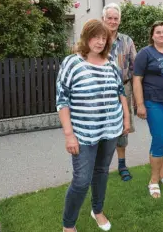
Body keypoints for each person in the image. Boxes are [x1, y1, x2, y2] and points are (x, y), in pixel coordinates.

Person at [56, 19, 130, 232]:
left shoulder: (110, 63)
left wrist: (125, 119)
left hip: (110, 130)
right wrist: (69, 135)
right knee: (81, 181)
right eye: (95, 37)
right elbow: (62, 101)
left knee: (102, 172)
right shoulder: (72, 62)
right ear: (86, 38)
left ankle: (97, 210)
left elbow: (120, 92)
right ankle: (68, 225)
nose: (99, 42)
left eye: (103, 38)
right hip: (83, 134)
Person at [133, 21, 163, 198]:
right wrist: (140, 104)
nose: (162, 35)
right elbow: (137, 79)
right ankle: (153, 180)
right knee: (160, 138)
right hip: (154, 102)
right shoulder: (145, 53)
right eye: (158, 32)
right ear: (152, 35)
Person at [102, 3, 137, 182]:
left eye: (116, 18)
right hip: (101, 90)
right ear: (103, 19)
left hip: (124, 88)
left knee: (124, 126)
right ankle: (101, 166)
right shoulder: (96, 38)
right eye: (110, 18)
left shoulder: (127, 41)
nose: (113, 21)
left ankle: (122, 164)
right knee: (102, 125)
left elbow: (135, 68)